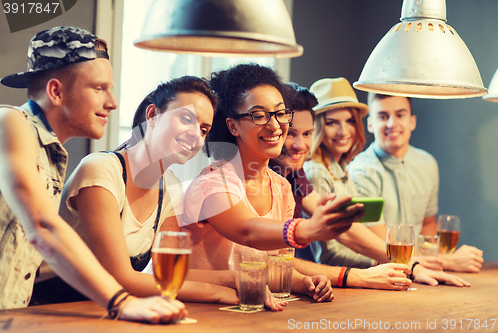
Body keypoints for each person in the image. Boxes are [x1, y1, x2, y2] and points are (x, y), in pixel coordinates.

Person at [0, 26, 186, 322]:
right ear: (56, 92)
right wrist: (121, 303)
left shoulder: (51, 154)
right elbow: (42, 227)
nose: (112, 102)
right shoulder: (10, 121)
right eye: (99, 88)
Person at [182, 64, 366, 305]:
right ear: (233, 126)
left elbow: (276, 265)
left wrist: (304, 282)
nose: (275, 125)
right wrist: (307, 229)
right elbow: (248, 231)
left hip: (245, 312)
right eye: (259, 115)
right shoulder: (213, 183)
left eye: (280, 113)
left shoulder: (281, 187)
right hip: (194, 312)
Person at [42, 76, 237, 305]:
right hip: (49, 307)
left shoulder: (171, 187)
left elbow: (170, 275)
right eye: (186, 119)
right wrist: (219, 293)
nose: (197, 135)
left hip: (104, 310)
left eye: (204, 129)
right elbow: (119, 277)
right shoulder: (101, 170)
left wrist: (235, 279)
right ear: (152, 115)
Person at [290, 78, 468, 287]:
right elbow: (336, 246)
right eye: (331, 122)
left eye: (349, 121)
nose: (343, 131)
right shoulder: (316, 171)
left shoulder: (340, 169)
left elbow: (352, 231)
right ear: (316, 127)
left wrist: (409, 265)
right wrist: (397, 265)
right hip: (324, 285)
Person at [348, 93, 484, 274]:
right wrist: (448, 261)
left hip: (420, 274)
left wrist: (434, 260)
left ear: (412, 121)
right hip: (380, 274)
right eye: (382, 116)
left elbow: (428, 225)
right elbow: (383, 246)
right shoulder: (360, 170)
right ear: (370, 124)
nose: (391, 124)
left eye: (400, 115)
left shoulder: (427, 163)